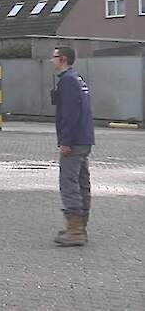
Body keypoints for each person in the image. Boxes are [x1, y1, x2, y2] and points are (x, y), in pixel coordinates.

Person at [50, 45, 94, 247]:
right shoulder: (77, 78)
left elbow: (70, 113)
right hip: (85, 138)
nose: (52, 60)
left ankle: (75, 230)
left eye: (54, 56)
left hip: (74, 141)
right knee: (82, 183)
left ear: (63, 59)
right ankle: (80, 227)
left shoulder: (67, 81)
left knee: (69, 183)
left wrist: (66, 141)